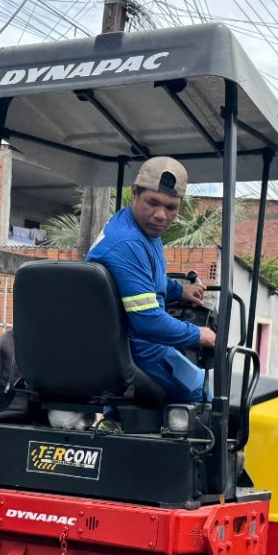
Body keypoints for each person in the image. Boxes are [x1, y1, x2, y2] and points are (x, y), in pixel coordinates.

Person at [87, 156, 216, 404]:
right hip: (137, 348)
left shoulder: (138, 228)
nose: (160, 215)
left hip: (121, 343)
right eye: (153, 203)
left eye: (171, 208)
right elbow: (148, 322)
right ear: (135, 193)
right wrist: (199, 334)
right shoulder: (129, 243)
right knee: (203, 393)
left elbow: (147, 280)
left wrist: (179, 291)